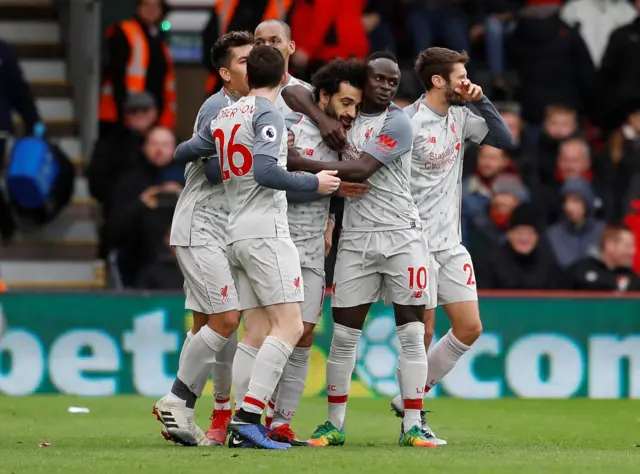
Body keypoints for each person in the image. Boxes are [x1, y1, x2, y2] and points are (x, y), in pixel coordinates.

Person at [171, 45, 340, 450]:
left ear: (248, 78)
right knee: (292, 326)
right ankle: (249, 417)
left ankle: (237, 422)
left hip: (233, 230)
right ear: (284, 78)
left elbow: (185, 152)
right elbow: (266, 172)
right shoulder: (269, 114)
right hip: (265, 230)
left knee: (258, 330)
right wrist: (315, 184)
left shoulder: (226, 114)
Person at [283, 51, 435, 448]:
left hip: (402, 235)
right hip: (356, 239)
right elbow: (294, 94)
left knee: (412, 333)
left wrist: (298, 161)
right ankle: (334, 424)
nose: (387, 86)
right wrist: (322, 119)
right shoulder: (343, 119)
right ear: (361, 82)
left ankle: (413, 425)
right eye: (379, 79)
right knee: (344, 337)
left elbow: (363, 169)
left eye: (393, 80)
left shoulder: (397, 122)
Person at [388, 46, 513, 445]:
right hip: (414, 240)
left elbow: (504, 139)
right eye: (461, 75)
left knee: (470, 327)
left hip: (451, 243)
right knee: (421, 331)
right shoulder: (407, 122)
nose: (467, 80)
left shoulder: (461, 117)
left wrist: (482, 99)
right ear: (438, 81)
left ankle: (408, 395)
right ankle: (413, 416)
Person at [152, 31, 254, 447]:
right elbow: (212, 170)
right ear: (226, 73)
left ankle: (183, 414)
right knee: (227, 320)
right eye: (245, 60)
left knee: (204, 326)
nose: (254, 65)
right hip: (202, 225)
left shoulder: (255, 106)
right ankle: (176, 398)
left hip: (223, 229)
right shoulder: (218, 106)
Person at [264, 59, 368, 446]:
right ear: (322, 97)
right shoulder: (288, 127)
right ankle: (240, 413)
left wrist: (331, 219)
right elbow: (270, 182)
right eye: (344, 102)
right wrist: (323, 185)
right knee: (267, 332)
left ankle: (281, 423)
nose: (350, 112)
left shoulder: (348, 133)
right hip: (276, 237)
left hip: (311, 245)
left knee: (304, 333)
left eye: (355, 105)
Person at [98, 0, 176, 136]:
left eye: (156, 6)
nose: (151, 10)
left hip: (151, 113)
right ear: (138, 7)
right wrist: (125, 111)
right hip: (126, 112)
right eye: (147, 5)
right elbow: (117, 75)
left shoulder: (157, 37)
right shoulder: (124, 31)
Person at [253, 19, 312, 115]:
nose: (266, 47)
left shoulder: (309, 93)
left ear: (291, 47)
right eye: (259, 43)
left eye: (274, 41)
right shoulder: (241, 92)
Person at [567, 223, 640, 291]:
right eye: (627, 246)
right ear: (609, 245)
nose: (633, 251)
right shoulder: (579, 271)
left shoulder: (634, 280)